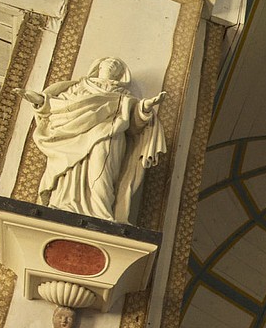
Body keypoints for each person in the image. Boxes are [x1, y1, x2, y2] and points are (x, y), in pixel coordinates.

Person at [18, 56, 167, 223]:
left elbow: (134, 125)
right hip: (75, 137)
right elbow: (61, 107)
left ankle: (101, 212)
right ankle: (64, 204)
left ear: (120, 74)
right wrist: (41, 101)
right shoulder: (79, 88)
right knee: (71, 170)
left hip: (108, 137)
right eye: (108, 63)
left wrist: (145, 108)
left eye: (116, 65)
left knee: (101, 174)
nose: (111, 65)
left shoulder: (123, 95)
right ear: (98, 67)